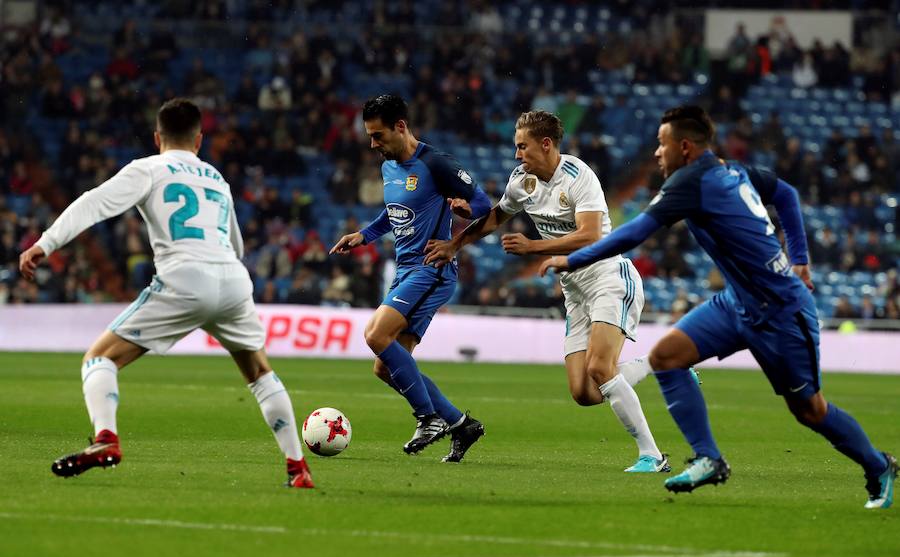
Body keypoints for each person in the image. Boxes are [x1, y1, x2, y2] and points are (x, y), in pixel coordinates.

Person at [539, 105, 897, 508]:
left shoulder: (690, 182)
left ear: (685, 147)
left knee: (810, 410)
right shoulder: (731, 170)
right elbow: (785, 193)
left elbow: (636, 232)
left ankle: (877, 464)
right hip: (737, 303)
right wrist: (799, 257)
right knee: (667, 357)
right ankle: (708, 457)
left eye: (662, 144)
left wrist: (571, 259)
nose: (656, 153)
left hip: (781, 311)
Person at [19, 98, 314, 489]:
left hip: (185, 278)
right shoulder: (216, 178)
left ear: (158, 137)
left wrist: (47, 242)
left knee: (98, 360)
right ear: (199, 140)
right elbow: (237, 246)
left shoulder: (149, 168)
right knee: (260, 374)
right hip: (232, 278)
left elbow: (94, 203)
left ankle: (106, 439)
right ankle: (298, 468)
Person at [425, 110, 669, 473]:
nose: (516, 154)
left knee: (601, 368)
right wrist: (454, 244)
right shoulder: (522, 181)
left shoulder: (578, 176)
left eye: (522, 146)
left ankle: (652, 456)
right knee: (584, 393)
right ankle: (660, 363)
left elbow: (591, 235)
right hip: (575, 290)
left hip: (608, 278)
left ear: (546, 144)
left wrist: (534, 247)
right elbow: (494, 216)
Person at [329, 94, 489, 463]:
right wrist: (364, 235)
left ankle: (427, 417)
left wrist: (462, 224)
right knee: (386, 367)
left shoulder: (436, 164)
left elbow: (484, 205)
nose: (373, 144)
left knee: (375, 335)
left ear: (401, 126)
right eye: (370, 136)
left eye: (379, 135)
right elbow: (394, 212)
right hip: (405, 270)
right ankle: (461, 424)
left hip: (431, 269)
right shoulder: (389, 165)